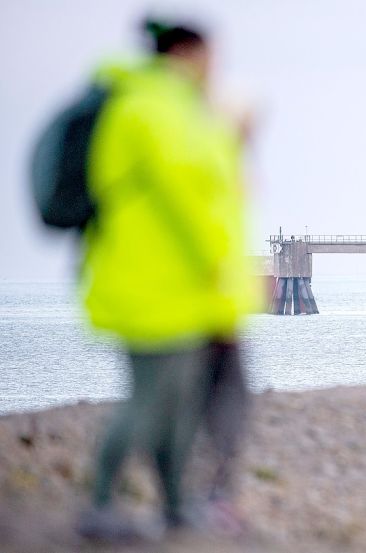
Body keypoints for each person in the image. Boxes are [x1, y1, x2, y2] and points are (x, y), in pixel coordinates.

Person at [75, 17, 256, 541]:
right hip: (158, 286)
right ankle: (101, 503)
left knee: (175, 407)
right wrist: (225, 269)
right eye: (210, 57)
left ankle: (176, 505)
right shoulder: (154, 110)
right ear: (187, 54)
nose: (214, 69)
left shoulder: (168, 109)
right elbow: (190, 203)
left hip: (177, 288)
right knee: (150, 402)